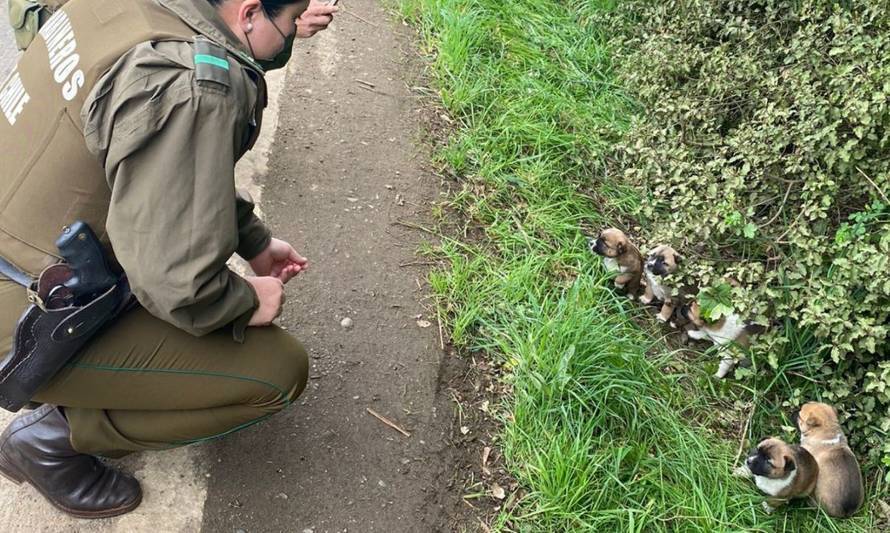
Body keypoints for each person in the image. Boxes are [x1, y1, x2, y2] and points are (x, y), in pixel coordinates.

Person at [0, 0, 336, 519]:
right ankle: (51, 439)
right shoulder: (192, 83)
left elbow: (162, 160)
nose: (294, 34)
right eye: (290, 23)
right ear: (249, 14)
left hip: (29, 246)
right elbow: (174, 282)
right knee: (277, 372)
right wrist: (246, 300)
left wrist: (253, 240)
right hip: (22, 315)